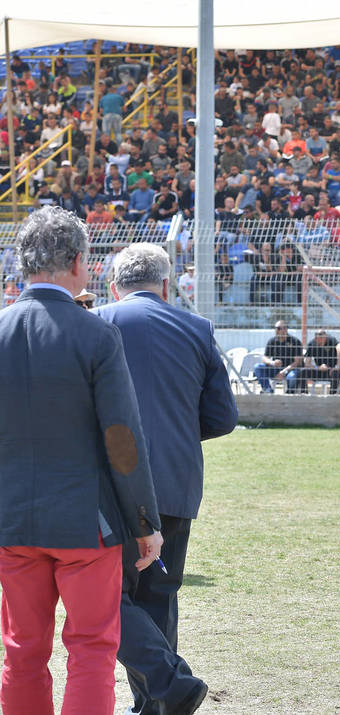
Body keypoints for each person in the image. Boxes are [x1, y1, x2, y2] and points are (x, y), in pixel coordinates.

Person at [0, 207, 163, 712]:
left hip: (11, 521)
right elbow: (121, 440)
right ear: (75, 261)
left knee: (22, 652)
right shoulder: (95, 334)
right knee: (92, 647)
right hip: (84, 525)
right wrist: (144, 521)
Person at [94, 243, 237, 714]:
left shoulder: (100, 321)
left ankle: (167, 686)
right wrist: (174, 434)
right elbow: (222, 417)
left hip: (112, 485)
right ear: (166, 285)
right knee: (160, 594)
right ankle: (158, 701)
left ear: (114, 286)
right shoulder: (197, 328)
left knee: (104, 596)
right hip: (176, 483)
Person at [254, 321, 305, 394]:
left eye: (279, 328)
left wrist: (284, 371)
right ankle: (268, 390)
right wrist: (272, 362)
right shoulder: (272, 341)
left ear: (285, 329)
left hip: (290, 369)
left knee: (292, 376)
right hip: (275, 369)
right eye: (276, 328)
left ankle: (290, 394)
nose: (277, 330)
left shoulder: (295, 341)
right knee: (258, 367)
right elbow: (264, 358)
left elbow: (298, 362)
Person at [299, 328, 340, 394]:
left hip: (332, 370)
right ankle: (304, 393)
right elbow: (306, 363)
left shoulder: (331, 340)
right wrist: (318, 368)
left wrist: (336, 366)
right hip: (318, 370)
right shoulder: (312, 344)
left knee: (336, 373)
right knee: (303, 371)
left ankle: (332, 396)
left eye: (322, 338)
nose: (320, 341)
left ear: (325, 337)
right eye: (318, 339)